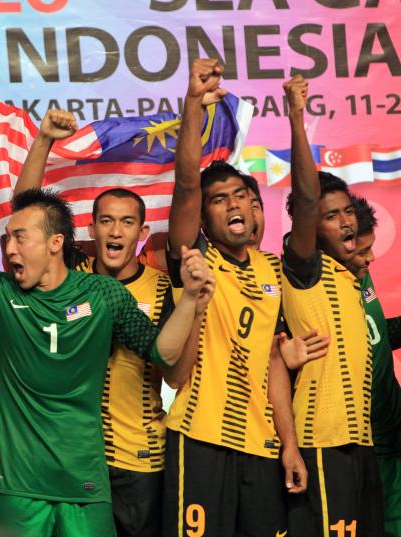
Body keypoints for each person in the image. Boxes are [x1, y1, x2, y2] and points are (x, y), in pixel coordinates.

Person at [0, 146, 211, 536]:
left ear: (55, 243)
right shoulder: (0, 295)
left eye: (20, 238)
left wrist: (193, 301)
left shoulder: (103, 294)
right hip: (18, 487)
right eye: (7, 238)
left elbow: (163, 352)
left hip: (86, 483)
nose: (9, 248)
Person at [163, 59, 322, 537]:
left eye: (241, 196)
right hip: (200, 438)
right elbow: (187, 183)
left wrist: (289, 444)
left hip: (261, 442)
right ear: (205, 221)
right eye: (220, 200)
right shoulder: (191, 259)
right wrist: (193, 102)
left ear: (256, 210)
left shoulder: (273, 270)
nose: (233, 204)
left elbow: (272, 362)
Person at [78, 187, 214, 537]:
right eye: (106, 221)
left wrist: (196, 308)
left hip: (140, 460)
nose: (115, 231)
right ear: (92, 229)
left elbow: (176, 376)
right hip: (76, 461)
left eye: (127, 222)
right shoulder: (68, 280)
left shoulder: (163, 289)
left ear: (141, 234)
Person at [281, 74, 384, 536]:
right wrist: (297, 117)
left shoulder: (349, 277)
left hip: (360, 442)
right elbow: (304, 198)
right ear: (309, 226)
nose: (345, 222)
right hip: (321, 444)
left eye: (347, 211)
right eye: (330, 215)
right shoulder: (304, 268)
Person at [346, 195, 401, 537]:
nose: (370, 257)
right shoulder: (311, 291)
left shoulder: (360, 276)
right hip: (358, 450)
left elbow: (375, 330)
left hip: (392, 435)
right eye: (361, 250)